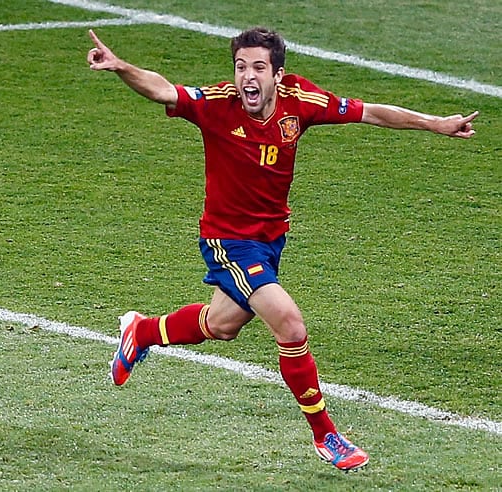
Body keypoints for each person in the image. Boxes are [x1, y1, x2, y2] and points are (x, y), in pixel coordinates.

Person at [86, 27, 477, 472]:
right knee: (289, 324)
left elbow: (370, 112)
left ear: (278, 75)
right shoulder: (217, 105)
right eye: (240, 67)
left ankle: (142, 331)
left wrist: (435, 124)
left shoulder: (300, 101)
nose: (246, 77)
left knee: (222, 325)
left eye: (257, 68)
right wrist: (122, 68)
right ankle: (326, 435)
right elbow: (162, 89)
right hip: (227, 240)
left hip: (270, 240)